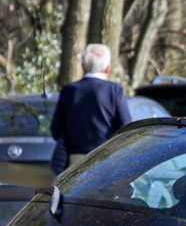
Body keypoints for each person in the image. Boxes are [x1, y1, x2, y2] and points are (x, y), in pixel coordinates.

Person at [50, 43, 131, 173]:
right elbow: (126, 127)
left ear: (83, 66)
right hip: (107, 160)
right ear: (107, 68)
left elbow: (55, 130)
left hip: (74, 165)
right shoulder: (114, 90)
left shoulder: (68, 90)